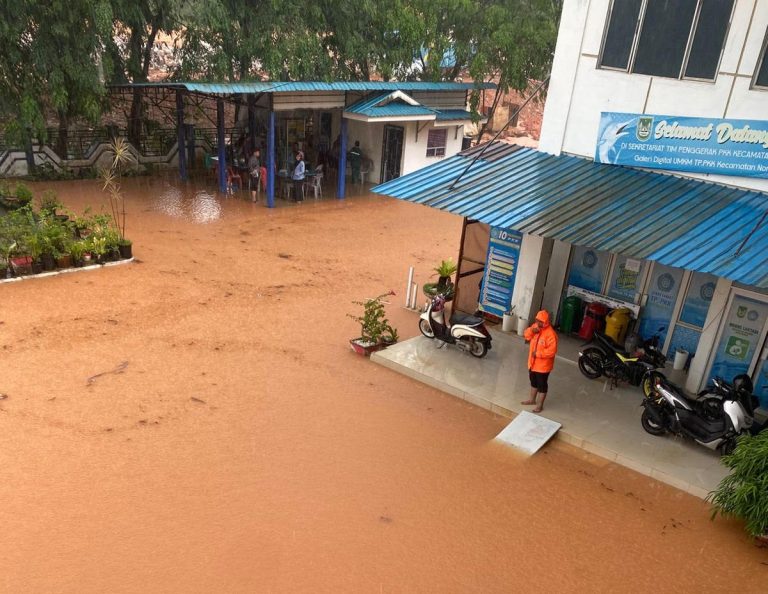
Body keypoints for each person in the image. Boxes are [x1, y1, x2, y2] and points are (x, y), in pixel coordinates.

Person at [520, 310, 558, 413]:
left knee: (542, 386)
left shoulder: (551, 334)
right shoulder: (535, 327)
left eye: (540, 321)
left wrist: (538, 354)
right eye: (537, 320)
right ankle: (532, 400)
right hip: (532, 364)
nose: (538, 323)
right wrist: (532, 331)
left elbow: (552, 351)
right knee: (533, 382)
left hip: (543, 367)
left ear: (545, 322)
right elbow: (526, 335)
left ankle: (539, 405)